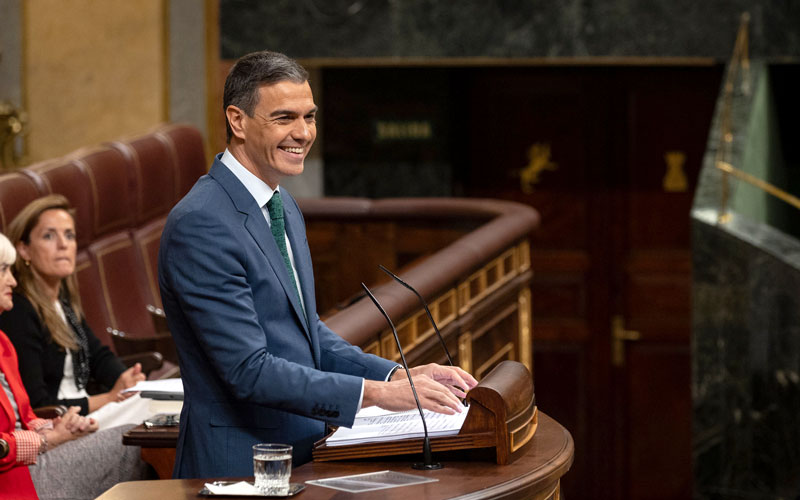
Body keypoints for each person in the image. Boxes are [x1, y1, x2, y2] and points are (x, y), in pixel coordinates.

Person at [158, 50, 478, 478]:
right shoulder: (201, 223)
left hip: (304, 453)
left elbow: (307, 337)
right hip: (237, 468)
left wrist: (396, 376)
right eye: (284, 118)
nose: (304, 133)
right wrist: (376, 395)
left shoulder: (283, 205)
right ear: (237, 121)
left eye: (309, 117)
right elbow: (247, 371)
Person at [0, 233, 151, 499]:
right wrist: (47, 439)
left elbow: (25, 418)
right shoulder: (21, 318)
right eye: (3, 270)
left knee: (146, 430)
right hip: (12, 481)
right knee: (137, 442)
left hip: (27, 463)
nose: (12, 280)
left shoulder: (3, 343)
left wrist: (55, 427)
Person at [0, 195, 147, 422]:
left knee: (158, 407)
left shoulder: (62, 298)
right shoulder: (18, 311)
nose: (63, 244)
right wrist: (110, 398)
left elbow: (97, 355)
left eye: (69, 235)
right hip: (64, 423)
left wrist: (126, 379)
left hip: (87, 413)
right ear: (24, 250)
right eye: (49, 236)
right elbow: (39, 404)